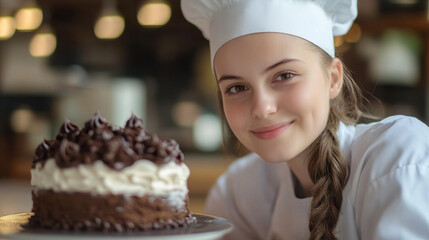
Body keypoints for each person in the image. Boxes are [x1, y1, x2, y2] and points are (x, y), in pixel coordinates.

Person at [181, 0, 429, 239]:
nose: (262, 108)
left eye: (284, 75)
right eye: (236, 88)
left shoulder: (396, 159)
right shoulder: (238, 194)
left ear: (333, 79)